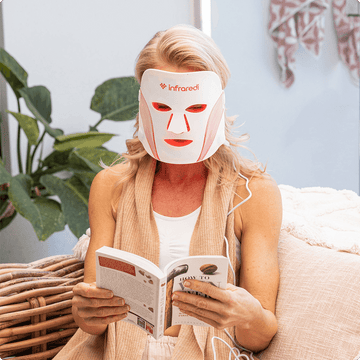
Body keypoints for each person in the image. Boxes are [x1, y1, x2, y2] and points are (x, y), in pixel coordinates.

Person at [54, 24, 282, 360]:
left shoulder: (253, 193)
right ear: (143, 105)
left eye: (194, 108)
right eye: (162, 108)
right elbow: (93, 321)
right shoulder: (111, 186)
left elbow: (259, 337)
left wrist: (248, 314)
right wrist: (87, 312)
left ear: (217, 105)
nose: (178, 126)